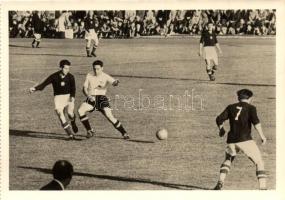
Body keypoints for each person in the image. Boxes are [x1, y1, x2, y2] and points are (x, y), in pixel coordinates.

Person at [213, 89, 267, 190]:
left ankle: (220, 182)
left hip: (231, 140)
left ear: (238, 98)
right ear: (250, 98)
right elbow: (256, 123)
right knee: (259, 162)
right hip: (245, 140)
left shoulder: (230, 107)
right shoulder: (251, 108)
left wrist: (221, 129)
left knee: (228, 159)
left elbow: (219, 119)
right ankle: (263, 188)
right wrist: (262, 136)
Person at [78, 60, 130, 140]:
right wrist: (88, 96)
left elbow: (114, 82)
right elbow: (84, 88)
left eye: (98, 69)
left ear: (102, 68)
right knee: (80, 110)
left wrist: (116, 82)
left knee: (110, 116)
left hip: (102, 98)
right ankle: (90, 130)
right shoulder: (89, 75)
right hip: (91, 98)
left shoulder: (106, 76)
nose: (96, 71)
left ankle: (124, 133)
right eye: (94, 69)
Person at [29, 60, 78, 140]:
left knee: (70, 113)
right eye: (65, 68)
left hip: (68, 97)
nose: (67, 70)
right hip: (58, 98)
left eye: (68, 69)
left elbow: (73, 88)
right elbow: (43, 85)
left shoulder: (71, 77)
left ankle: (73, 122)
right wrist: (34, 88)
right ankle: (70, 135)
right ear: (60, 68)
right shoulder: (54, 76)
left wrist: (72, 96)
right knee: (60, 115)